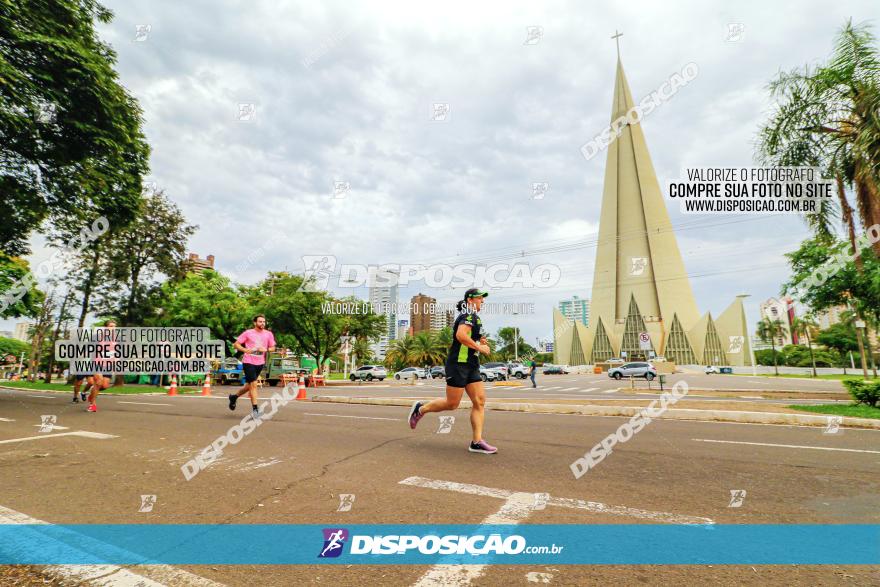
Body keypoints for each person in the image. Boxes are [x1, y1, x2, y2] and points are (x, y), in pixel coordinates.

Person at [407, 288, 497, 454]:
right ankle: (420, 409)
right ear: (470, 300)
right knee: (452, 404)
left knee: (480, 401)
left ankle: (476, 442)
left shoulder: (475, 319)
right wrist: (480, 347)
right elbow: (461, 335)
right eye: (479, 298)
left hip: (472, 364)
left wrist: (481, 340)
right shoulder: (467, 316)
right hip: (458, 365)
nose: (482, 301)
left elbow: (471, 337)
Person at [230, 315, 276, 419]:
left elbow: (273, 347)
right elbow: (236, 344)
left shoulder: (268, 334)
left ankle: (234, 397)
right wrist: (245, 350)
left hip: (260, 362)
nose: (262, 323)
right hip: (248, 361)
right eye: (260, 321)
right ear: (255, 323)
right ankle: (255, 410)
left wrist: (267, 350)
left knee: (249, 386)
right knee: (254, 385)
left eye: (264, 322)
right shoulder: (248, 333)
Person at [86, 320, 116, 412]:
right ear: (106, 327)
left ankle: (91, 394)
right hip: (97, 363)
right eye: (111, 326)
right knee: (98, 382)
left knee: (105, 385)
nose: (113, 328)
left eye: (114, 326)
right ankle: (92, 405)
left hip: (109, 365)